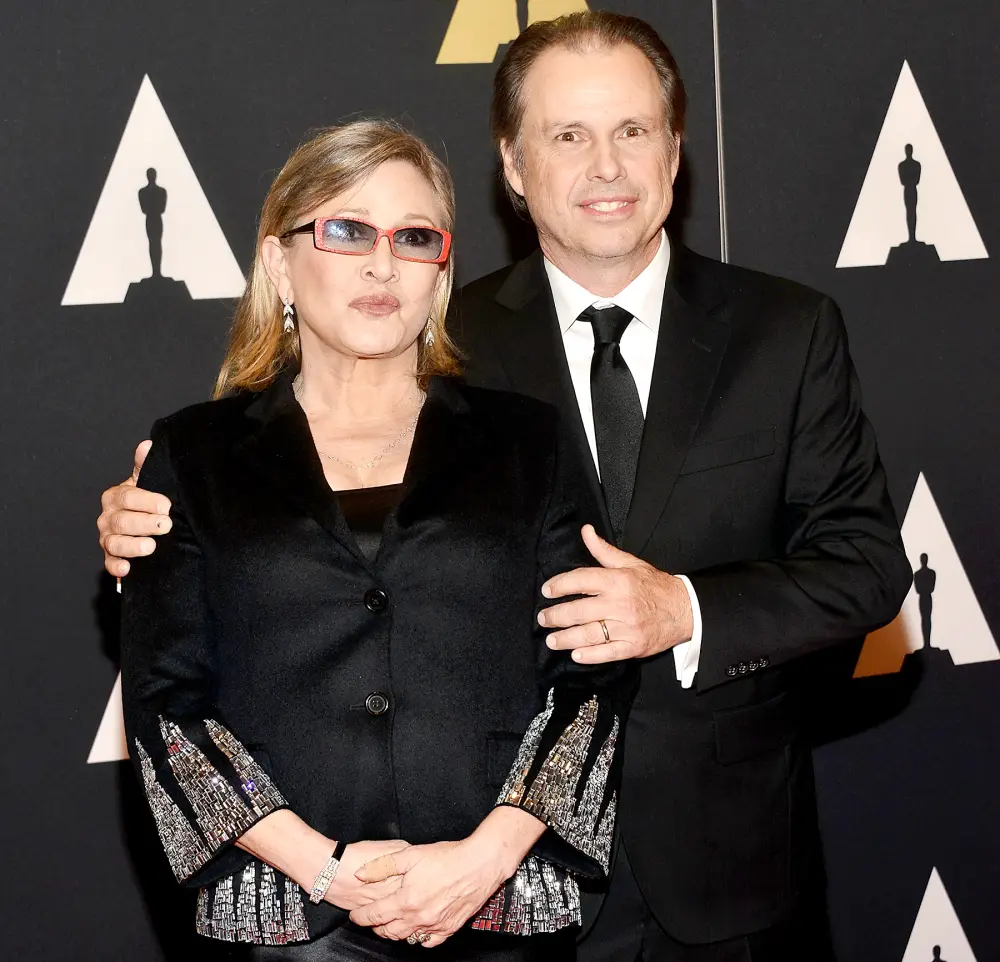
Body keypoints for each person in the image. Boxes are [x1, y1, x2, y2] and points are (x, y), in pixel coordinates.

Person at [99, 12, 912, 962]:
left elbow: (863, 567)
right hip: (501, 898)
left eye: (633, 132)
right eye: (568, 135)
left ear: (676, 150)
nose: (605, 167)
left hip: (722, 863)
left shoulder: (789, 331)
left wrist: (683, 608)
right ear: (513, 167)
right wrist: (145, 524)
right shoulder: (432, 337)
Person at [117, 118, 637, 961]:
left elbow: (592, 676)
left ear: (441, 270)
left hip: (497, 906)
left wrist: (484, 859)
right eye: (347, 230)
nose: (382, 263)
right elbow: (167, 705)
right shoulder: (194, 453)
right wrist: (323, 869)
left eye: (415, 237)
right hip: (287, 923)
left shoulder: (529, 440)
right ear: (282, 262)